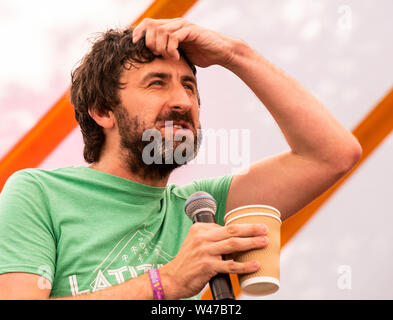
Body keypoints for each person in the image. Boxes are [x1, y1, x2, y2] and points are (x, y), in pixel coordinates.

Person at [0, 18, 362, 300]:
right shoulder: (39, 192)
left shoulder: (201, 208)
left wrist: (235, 54)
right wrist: (166, 282)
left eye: (188, 86)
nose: (183, 102)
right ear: (101, 111)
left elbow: (332, 155)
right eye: (156, 83)